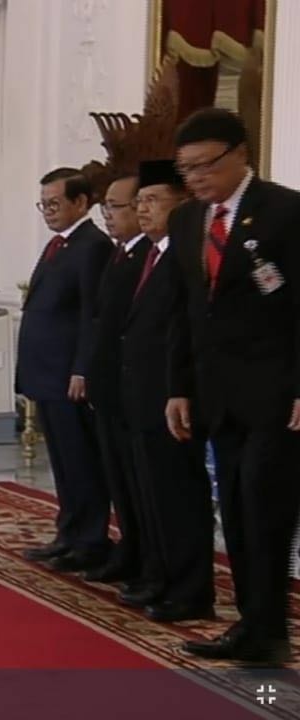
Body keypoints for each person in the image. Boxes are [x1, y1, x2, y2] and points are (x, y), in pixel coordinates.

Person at [166, 108, 300, 665]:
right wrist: (179, 386)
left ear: (242, 154)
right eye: (186, 169)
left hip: (277, 395)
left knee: (267, 508)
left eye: (206, 165)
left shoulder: (287, 211)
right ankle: (253, 624)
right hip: (217, 394)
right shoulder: (186, 221)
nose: (196, 177)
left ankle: (269, 628)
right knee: (238, 512)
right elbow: (185, 310)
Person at [123, 159, 215, 622]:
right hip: (142, 396)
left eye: (153, 200)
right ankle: (160, 576)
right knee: (152, 496)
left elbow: (185, 329)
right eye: (139, 201)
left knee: (179, 496)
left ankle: (191, 590)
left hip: (172, 398)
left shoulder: (186, 255)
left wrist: (179, 389)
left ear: (182, 204)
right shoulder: (151, 254)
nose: (142, 209)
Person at [16, 168, 113, 573]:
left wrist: (82, 368)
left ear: (81, 202)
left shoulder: (92, 246)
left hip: (69, 375)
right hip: (47, 372)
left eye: (55, 203)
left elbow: (93, 313)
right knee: (62, 461)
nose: (48, 212)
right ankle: (68, 533)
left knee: (81, 461)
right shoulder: (59, 244)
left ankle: (89, 540)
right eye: (43, 205)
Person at [83, 173, 150, 587]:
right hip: (109, 385)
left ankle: (148, 559)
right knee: (118, 479)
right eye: (104, 206)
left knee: (141, 484)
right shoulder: (120, 253)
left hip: (133, 388)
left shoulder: (147, 256)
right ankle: (130, 548)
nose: (108, 215)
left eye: (116, 206)